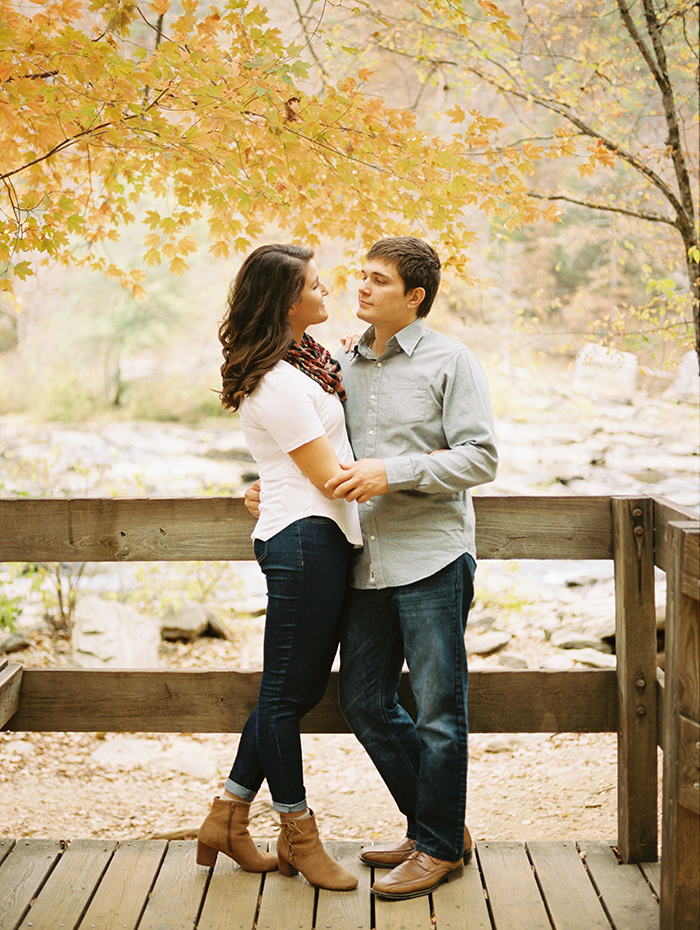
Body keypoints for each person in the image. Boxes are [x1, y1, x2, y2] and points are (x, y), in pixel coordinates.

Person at [247, 236, 498, 901]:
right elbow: (314, 447)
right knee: (362, 700)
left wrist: (396, 473)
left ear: (414, 297)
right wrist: (268, 488)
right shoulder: (341, 366)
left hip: (433, 557)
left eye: (378, 280)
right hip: (365, 561)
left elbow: (481, 459)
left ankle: (438, 844)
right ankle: (436, 826)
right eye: (361, 276)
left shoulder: (452, 361)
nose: (360, 288)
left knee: (441, 712)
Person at [197, 244, 362, 892]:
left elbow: (307, 460)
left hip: (315, 536)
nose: (326, 292)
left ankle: (228, 818)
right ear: (287, 303)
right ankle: (296, 831)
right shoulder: (276, 380)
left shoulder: (303, 367)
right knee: (285, 699)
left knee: (286, 695)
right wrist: (416, 474)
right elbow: (327, 476)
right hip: (303, 541)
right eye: (315, 286)